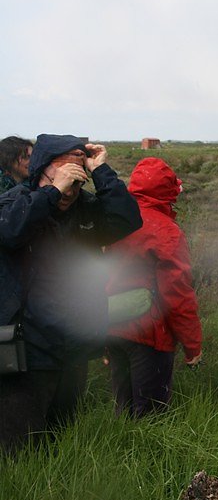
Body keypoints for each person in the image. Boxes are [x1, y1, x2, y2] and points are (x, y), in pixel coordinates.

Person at [0, 134, 142, 453]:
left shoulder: (84, 209)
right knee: (19, 449)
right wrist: (52, 192)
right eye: (64, 179)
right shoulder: (16, 203)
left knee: (62, 441)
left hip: (72, 348)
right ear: (40, 173)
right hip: (27, 350)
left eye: (77, 182)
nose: (70, 191)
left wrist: (101, 171)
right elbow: (9, 231)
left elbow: (126, 219)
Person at [105, 157, 202, 418]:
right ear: (166, 191)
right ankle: (148, 457)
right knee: (150, 415)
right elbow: (177, 294)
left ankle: (117, 454)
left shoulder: (115, 220)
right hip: (150, 334)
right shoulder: (166, 231)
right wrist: (192, 345)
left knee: (122, 409)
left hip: (112, 327)